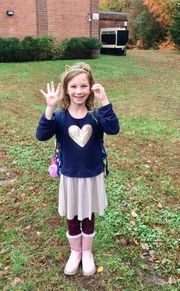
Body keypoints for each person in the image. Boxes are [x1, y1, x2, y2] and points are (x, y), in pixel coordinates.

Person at [36, 62, 120, 276]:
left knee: (88, 213)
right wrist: (50, 108)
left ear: (90, 87)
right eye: (73, 86)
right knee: (73, 213)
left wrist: (105, 102)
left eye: (83, 86)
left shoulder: (96, 116)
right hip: (70, 176)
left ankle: (87, 251)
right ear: (66, 89)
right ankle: (75, 252)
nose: (78, 91)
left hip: (92, 175)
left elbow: (114, 129)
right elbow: (41, 135)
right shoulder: (60, 117)